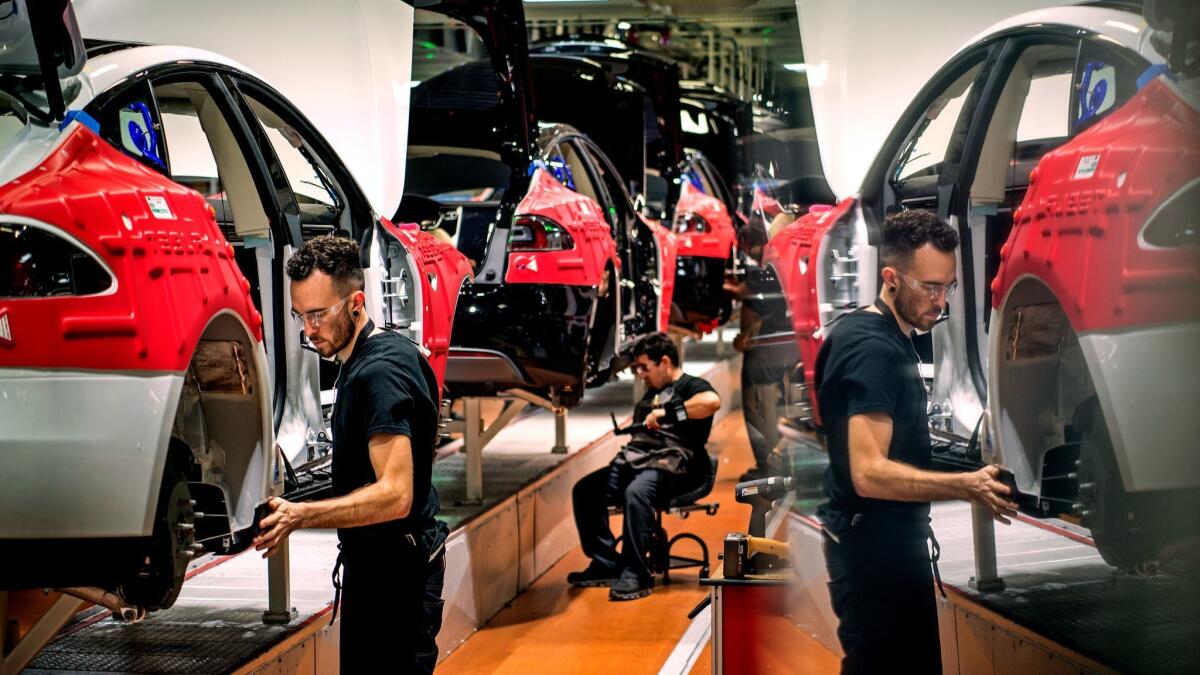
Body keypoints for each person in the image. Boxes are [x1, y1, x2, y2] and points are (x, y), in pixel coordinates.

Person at [815, 210, 1018, 674]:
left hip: (884, 545)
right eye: (929, 287)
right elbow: (868, 473)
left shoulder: (886, 334)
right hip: (872, 555)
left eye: (948, 287)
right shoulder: (873, 348)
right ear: (890, 278)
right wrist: (966, 486)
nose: (941, 301)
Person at [251, 236, 447, 674]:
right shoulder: (373, 356)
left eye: (319, 314)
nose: (308, 329)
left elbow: (396, 495)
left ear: (356, 302)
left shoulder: (378, 374)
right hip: (380, 571)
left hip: (398, 582)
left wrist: (300, 515)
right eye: (300, 316)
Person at [568, 333, 721, 600]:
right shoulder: (651, 394)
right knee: (586, 490)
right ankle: (605, 562)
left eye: (644, 367)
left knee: (637, 493)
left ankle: (636, 574)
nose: (640, 374)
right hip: (641, 462)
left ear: (664, 362)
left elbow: (711, 402)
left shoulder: (691, 386)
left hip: (680, 469)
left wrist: (669, 413)